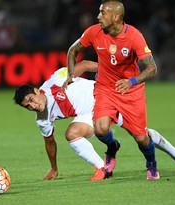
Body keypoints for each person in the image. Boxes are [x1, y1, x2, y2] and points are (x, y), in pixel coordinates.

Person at [14, 61, 175, 181]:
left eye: (31, 100)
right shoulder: (42, 120)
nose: (33, 106)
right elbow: (50, 142)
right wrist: (53, 168)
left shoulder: (56, 80)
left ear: (37, 91)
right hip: (91, 114)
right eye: (27, 106)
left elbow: (85, 65)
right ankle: (101, 168)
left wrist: (111, 73)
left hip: (106, 96)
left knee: (141, 135)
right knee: (72, 134)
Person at [62, 0, 160, 180]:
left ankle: (151, 163)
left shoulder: (134, 36)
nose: (98, 16)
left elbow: (152, 68)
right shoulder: (94, 31)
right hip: (105, 88)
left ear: (116, 17)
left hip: (130, 91)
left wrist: (132, 81)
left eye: (103, 13)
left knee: (141, 139)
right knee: (100, 129)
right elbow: (73, 50)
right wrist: (70, 74)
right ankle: (113, 146)